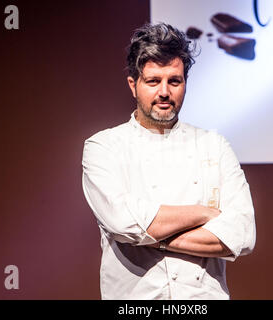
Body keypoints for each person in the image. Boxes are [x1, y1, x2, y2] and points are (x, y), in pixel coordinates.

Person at [82, 23, 256, 300]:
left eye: (174, 81)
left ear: (185, 83)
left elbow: (242, 235)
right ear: (133, 84)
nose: (164, 92)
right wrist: (204, 213)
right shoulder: (103, 147)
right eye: (153, 81)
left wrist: (149, 238)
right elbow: (123, 223)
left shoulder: (214, 145)